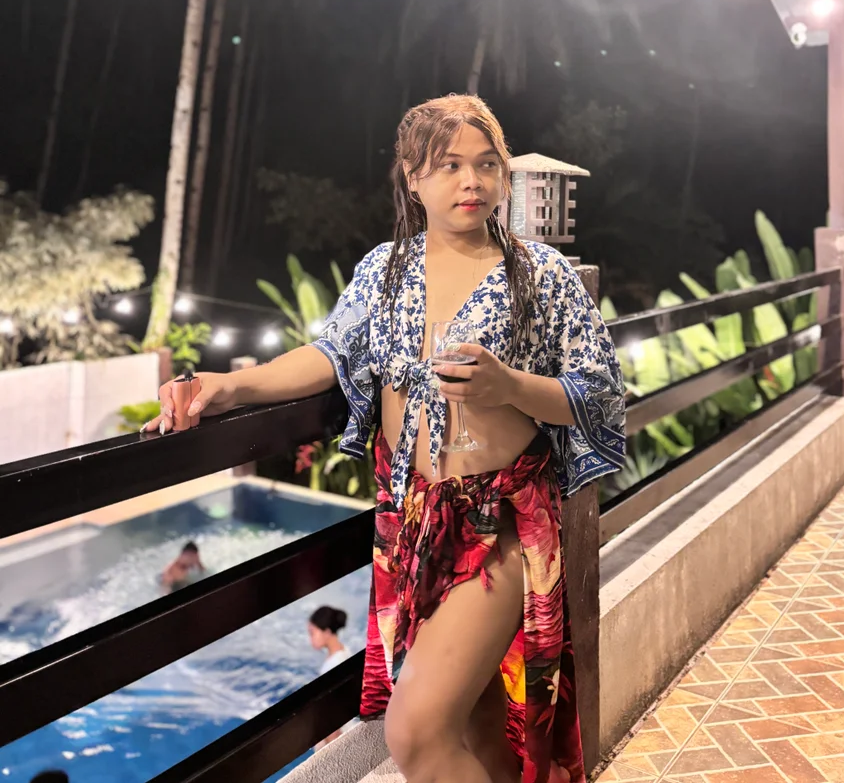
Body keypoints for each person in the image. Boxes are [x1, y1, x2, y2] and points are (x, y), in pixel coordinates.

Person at [146, 94, 625, 783]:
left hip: (499, 524)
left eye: (488, 164)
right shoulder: (385, 269)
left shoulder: (539, 272)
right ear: (412, 176)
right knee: (481, 727)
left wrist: (510, 386)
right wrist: (229, 387)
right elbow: (331, 354)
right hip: (414, 521)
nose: (472, 180)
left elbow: (599, 390)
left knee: (416, 731)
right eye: (450, 164)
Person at [308, 606, 353, 749]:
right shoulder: (344, 651)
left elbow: (332, 718)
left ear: (326, 632)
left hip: (339, 741)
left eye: (312, 633)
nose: (310, 639)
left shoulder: (333, 666)